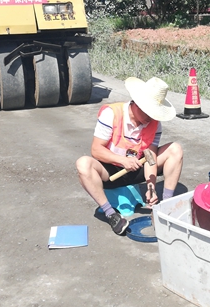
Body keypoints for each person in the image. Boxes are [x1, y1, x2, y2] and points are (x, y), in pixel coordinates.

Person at [76, 77, 184, 236]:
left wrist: (151, 187)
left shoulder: (154, 123)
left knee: (175, 149)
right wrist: (122, 160)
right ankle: (111, 215)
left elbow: (150, 156)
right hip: (111, 172)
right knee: (83, 164)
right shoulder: (112, 114)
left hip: (138, 168)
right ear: (137, 103)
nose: (151, 117)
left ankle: (166, 207)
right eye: (149, 111)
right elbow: (96, 149)